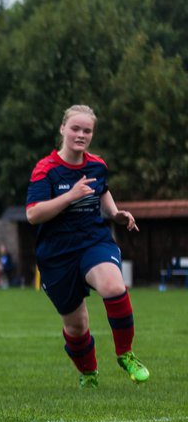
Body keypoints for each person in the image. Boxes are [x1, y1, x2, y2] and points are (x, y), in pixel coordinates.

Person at [25, 104, 148, 388]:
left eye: (87, 130)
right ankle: (89, 372)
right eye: (76, 129)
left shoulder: (97, 165)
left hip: (93, 240)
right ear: (63, 129)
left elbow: (103, 191)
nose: (81, 135)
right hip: (57, 253)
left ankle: (125, 354)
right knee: (76, 326)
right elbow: (33, 214)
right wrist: (70, 197)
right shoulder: (46, 169)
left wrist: (116, 214)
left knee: (113, 286)